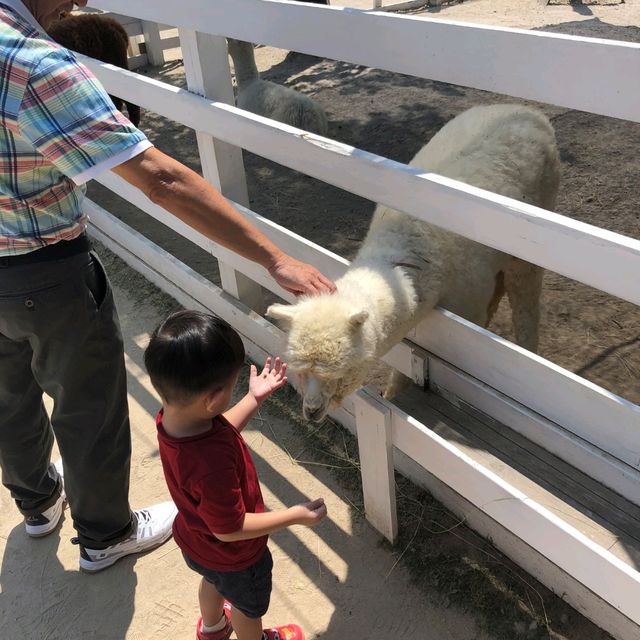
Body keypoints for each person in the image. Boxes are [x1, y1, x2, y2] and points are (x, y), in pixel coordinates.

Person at [0, 0, 335, 574]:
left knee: (6, 395)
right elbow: (159, 178)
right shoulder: (34, 66)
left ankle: (36, 503)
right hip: (44, 271)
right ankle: (105, 534)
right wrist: (274, 259)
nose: (76, 4)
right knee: (88, 409)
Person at [144, 310, 327, 640]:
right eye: (231, 387)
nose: (234, 390)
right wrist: (293, 516)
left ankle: (212, 628)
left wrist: (252, 398)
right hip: (237, 557)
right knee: (246, 608)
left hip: (196, 541)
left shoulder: (173, 420)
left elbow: (220, 432)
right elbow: (230, 528)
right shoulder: (211, 464)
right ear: (212, 400)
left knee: (212, 582)